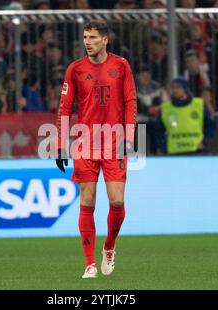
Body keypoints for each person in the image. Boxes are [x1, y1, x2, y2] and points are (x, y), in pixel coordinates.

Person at [55, 20, 137, 279]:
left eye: (92, 37)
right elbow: (65, 108)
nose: (87, 42)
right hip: (85, 143)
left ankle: (109, 247)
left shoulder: (121, 66)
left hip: (114, 141)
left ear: (105, 40)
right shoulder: (75, 69)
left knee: (117, 200)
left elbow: (130, 101)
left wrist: (130, 137)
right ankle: (89, 264)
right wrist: (60, 144)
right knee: (87, 201)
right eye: (85, 37)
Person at [155, 77, 215, 155]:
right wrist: (164, 146)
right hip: (174, 151)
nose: (175, 90)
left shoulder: (199, 104)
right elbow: (158, 130)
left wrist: (205, 142)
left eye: (178, 87)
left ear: (185, 89)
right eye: (173, 88)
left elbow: (210, 126)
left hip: (196, 150)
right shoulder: (165, 108)